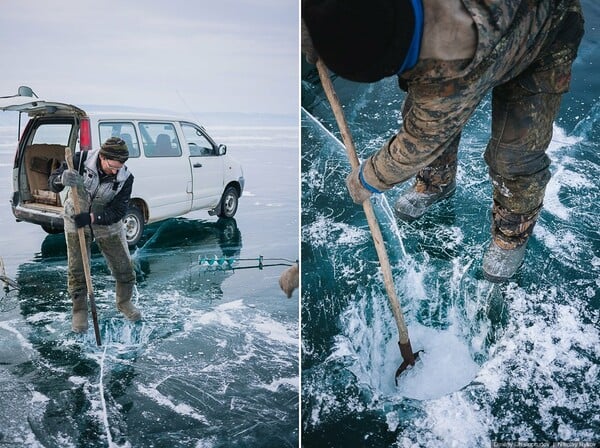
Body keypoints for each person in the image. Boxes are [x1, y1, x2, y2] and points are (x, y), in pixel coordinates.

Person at [302, 0, 584, 282]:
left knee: (514, 156)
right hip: (445, 38)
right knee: (423, 114)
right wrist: (321, 25)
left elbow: (418, 143)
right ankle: (436, 182)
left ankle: (512, 233)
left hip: (544, 37)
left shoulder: (451, 65)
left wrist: (365, 179)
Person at [49, 137, 141, 332]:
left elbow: (118, 211)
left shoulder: (126, 178)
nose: (115, 171)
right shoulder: (79, 159)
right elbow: (53, 183)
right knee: (77, 268)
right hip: (75, 217)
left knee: (124, 266)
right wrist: (61, 178)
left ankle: (124, 302)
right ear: (102, 157)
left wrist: (92, 217)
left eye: (119, 167)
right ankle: (79, 310)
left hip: (106, 222)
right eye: (112, 166)